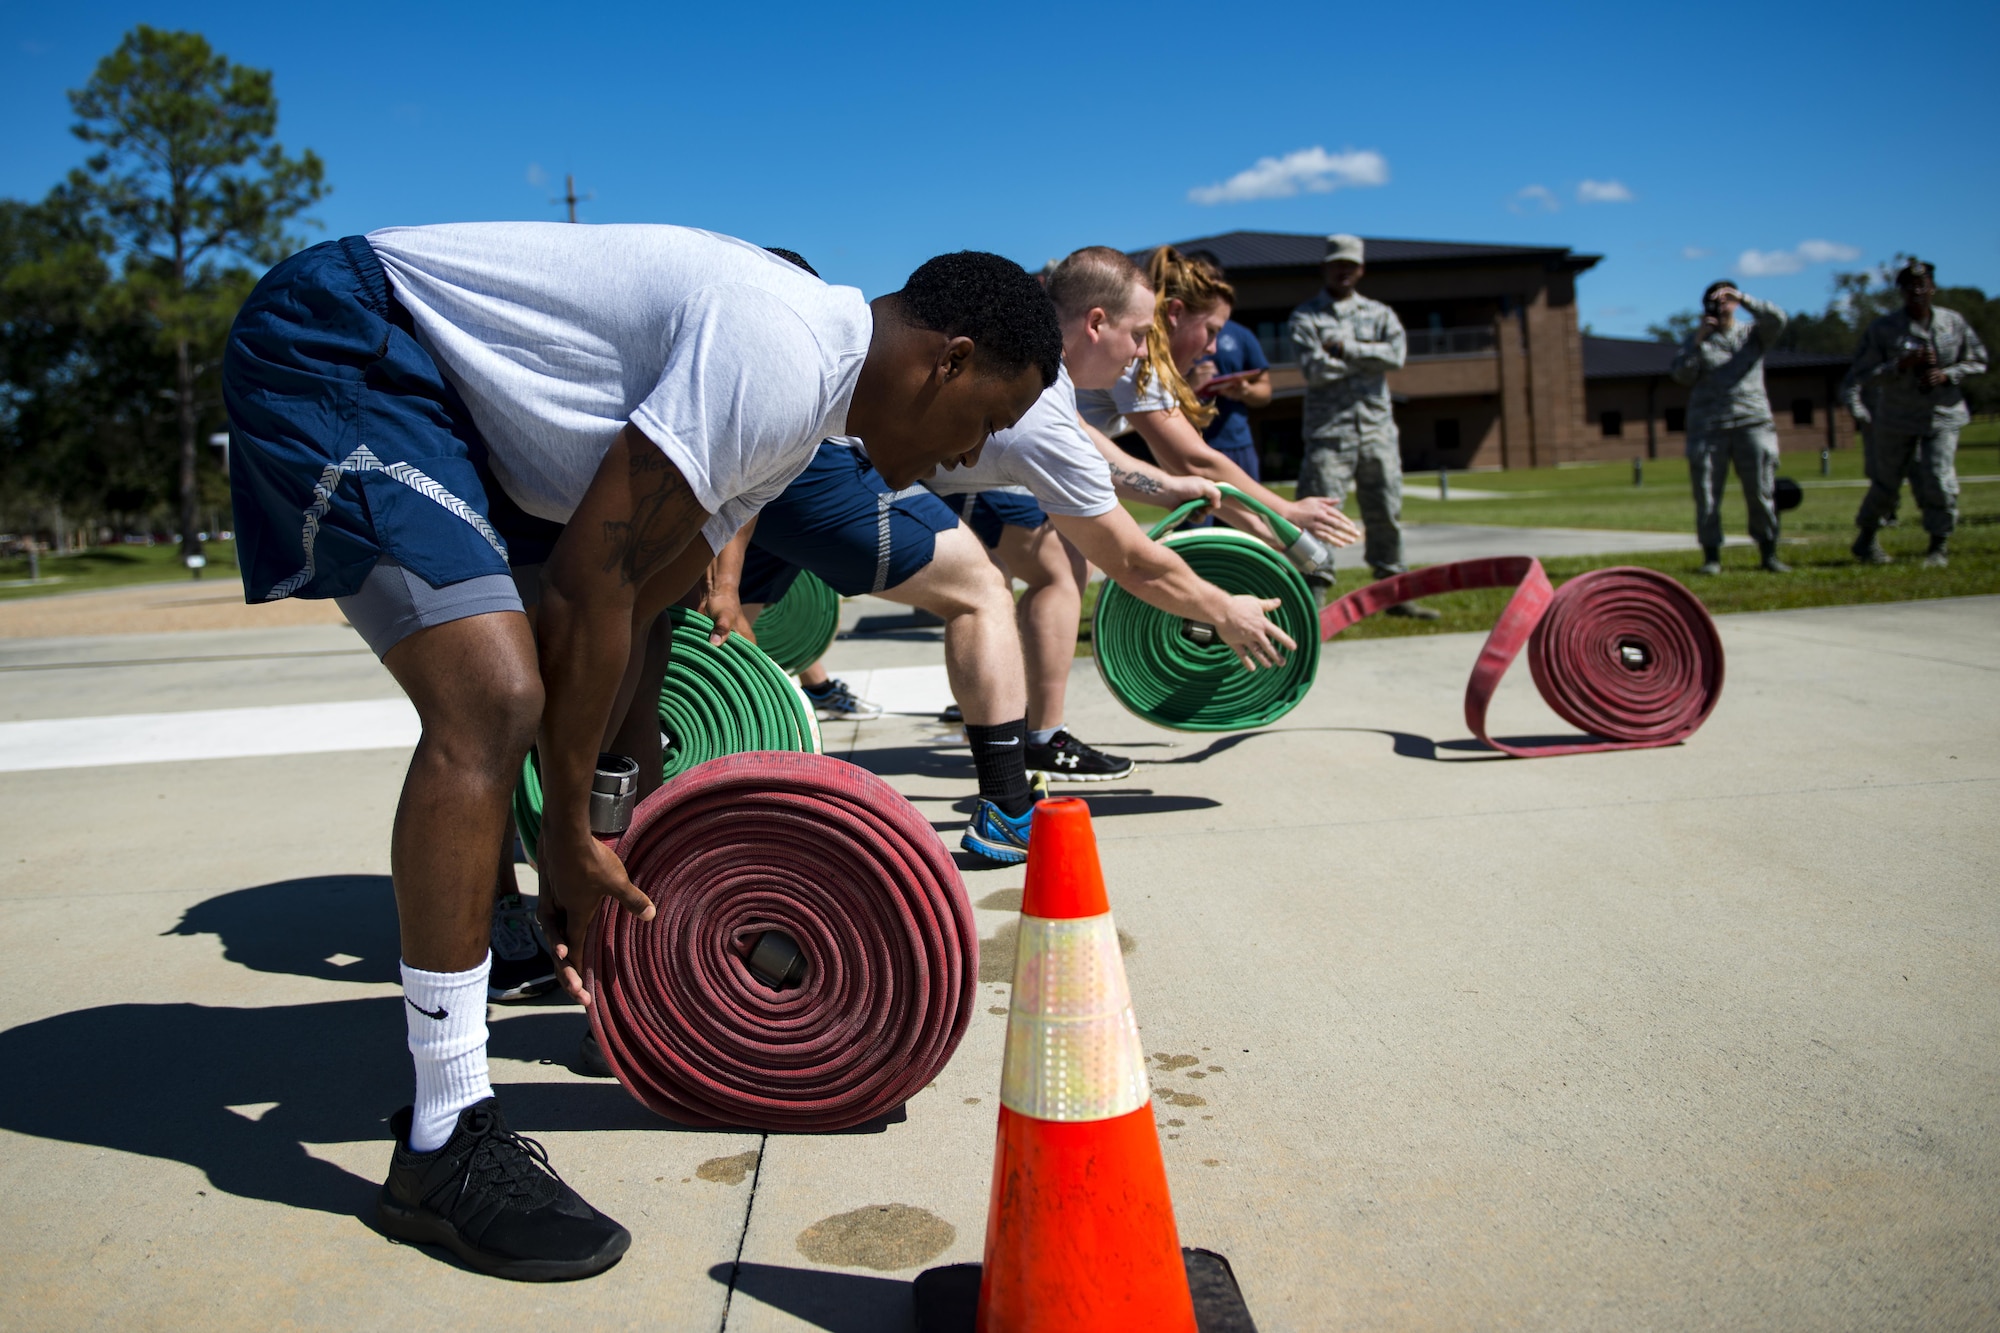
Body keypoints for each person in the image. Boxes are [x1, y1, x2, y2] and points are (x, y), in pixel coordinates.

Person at [222, 224, 1058, 1280]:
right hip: (352, 339)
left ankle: (499, 1028)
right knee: (492, 696)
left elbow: (646, 613)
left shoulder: (797, 431)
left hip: (464, 414)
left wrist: (612, 833)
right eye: (983, 418)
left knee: (543, 686)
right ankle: (442, 1136)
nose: (964, 457)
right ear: (948, 356)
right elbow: (584, 589)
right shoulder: (785, 349)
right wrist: (565, 836)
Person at [925, 246, 1355, 777]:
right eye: (1139, 334)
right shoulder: (1085, 377)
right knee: (1019, 583)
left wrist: (1168, 487)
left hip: (913, 469)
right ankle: (1027, 741)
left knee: (1006, 585)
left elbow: (1090, 447)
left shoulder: (1055, 376)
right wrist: (1248, 576)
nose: (1143, 349)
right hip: (862, 468)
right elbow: (1136, 550)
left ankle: (1017, 725)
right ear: (1099, 323)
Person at [1075, 247, 1354, 572]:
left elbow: (1188, 471)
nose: (1212, 348)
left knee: (1064, 576)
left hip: (1042, 476)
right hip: (1028, 479)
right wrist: (1286, 513)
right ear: (1176, 312)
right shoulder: (1140, 360)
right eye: (1211, 331)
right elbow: (1198, 461)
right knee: (1061, 579)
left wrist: (1269, 532)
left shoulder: (1146, 362)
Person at [1284, 235, 1437, 617]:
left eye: (1350, 265)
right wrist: (1370, 359)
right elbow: (1314, 369)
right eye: (1337, 264)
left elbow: (1396, 356)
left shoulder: (1380, 314)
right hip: (1329, 433)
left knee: (1385, 511)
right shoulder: (1306, 317)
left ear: (1361, 269)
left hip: (1377, 430)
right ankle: (1314, 596)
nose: (1343, 271)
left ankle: (1395, 594)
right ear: (1325, 268)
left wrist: (1346, 349)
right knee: (1321, 517)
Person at [1843, 259, 1989, 567]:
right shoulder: (1883, 329)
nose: (1917, 293)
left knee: (1938, 477)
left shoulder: (1953, 323)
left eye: (1922, 287)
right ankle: (1866, 538)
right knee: (1886, 483)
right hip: (1897, 416)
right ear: (1901, 292)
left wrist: (1949, 374)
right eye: (1910, 288)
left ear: (1933, 289)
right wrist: (1900, 365)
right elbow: (1862, 374)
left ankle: (1939, 545)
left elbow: (1978, 361)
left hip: (1942, 414)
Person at [1670, 280, 1790, 574]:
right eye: (1715, 300)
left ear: (1735, 302)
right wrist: (1699, 340)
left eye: (1727, 299)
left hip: (1752, 422)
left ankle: (1768, 552)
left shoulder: (1753, 334)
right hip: (1709, 428)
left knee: (1761, 490)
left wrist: (1745, 297)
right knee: (1707, 494)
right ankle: (1712, 557)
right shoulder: (1696, 341)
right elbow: (1681, 376)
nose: (1721, 305)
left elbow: (1778, 320)